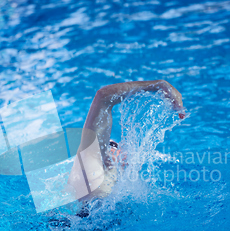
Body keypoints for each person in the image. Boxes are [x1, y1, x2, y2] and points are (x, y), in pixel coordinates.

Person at [68, 80, 184, 215]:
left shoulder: (123, 190)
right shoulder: (90, 166)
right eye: (106, 144)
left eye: (113, 145)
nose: (108, 148)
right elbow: (103, 97)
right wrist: (160, 85)